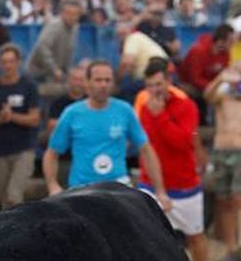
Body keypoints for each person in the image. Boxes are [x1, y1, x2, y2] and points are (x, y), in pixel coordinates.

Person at [43, 60, 170, 207]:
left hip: (119, 189)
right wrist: (52, 185)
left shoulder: (124, 110)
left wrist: (160, 191)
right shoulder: (72, 113)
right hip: (82, 190)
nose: (103, 85)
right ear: (87, 83)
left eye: (107, 80)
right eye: (98, 80)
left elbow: (146, 149)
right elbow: (52, 153)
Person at [133, 58, 208, 261]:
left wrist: (161, 117)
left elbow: (182, 142)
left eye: (158, 83)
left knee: (195, 236)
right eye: (150, 85)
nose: (155, 89)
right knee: (147, 239)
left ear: (168, 81)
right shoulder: (143, 106)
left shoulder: (186, 105)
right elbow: (144, 145)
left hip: (184, 182)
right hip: (151, 183)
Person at [203, 66, 241, 261]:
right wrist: (221, 79)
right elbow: (207, 96)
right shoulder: (223, 97)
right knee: (224, 200)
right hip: (222, 150)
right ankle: (231, 246)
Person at [0, 44, 41, 209]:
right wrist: (0, 119)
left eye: (11, 61)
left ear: (18, 62)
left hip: (24, 149)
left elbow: (35, 119)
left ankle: (21, 231)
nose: (8, 66)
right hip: (0, 149)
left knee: (14, 195)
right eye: (4, 62)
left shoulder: (29, 86)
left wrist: (11, 116)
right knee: (4, 198)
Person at [27, 0, 81, 83]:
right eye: (69, 13)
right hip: (39, 72)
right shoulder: (54, 25)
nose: (72, 17)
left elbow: (70, 50)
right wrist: (54, 69)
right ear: (62, 13)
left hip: (56, 72)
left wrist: (67, 71)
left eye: (75, 14)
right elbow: (42, 47)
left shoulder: (75, 27)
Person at [45, 65, 87, 139]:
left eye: (81, 80)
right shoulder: (58, 103)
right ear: (69, 80)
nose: (77, 83)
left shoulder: (92, 102)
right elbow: (52, 127)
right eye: (75, 79)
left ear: (86, 82)